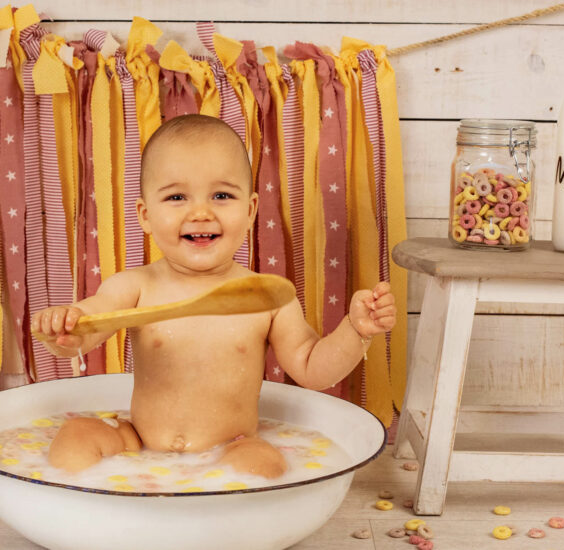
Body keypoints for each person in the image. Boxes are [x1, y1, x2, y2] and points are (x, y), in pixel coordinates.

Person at [31, 114, 396, 478]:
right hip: (138, 443)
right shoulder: (134, 286)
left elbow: (313, 368)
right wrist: (64, 329)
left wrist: (356, 330)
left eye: (221, 195)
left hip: (231, 445)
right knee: (75, 436)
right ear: (145, 215)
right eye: (176, 197)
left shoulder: (265, 297)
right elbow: (87, 328)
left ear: (250, 210)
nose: (201, 212)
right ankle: (92, 510)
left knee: (260, 464)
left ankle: (220, 518)